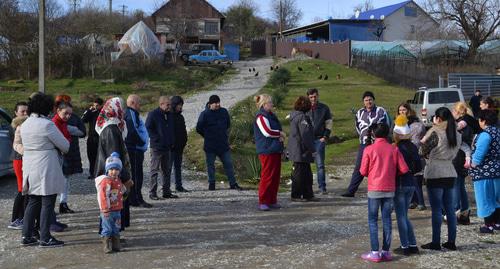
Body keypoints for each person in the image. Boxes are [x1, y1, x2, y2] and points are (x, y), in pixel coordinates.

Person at [21, 93, 69, 248]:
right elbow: (65, 146)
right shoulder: (47, 124)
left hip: (30, 165)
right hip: (46, 166)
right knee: (47, 203)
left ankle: (27, 235)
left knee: (33, 201)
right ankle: (45, 237)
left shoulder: (26, 123)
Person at [359, 123, 409, 262]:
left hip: (374, 188)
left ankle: (375, 252)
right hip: (389, 189)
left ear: (374, 134)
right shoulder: (394, 149)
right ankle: (386, 251)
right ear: (388, 133)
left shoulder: (369, 149)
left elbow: (362, 171)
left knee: (373, 220)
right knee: (387, 220)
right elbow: (404, 169)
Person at [420, 107, 462, 251]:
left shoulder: (435, 132)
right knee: (450, 208)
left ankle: (436, 242)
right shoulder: (457, 134)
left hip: (435, 172)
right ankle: (451, 241)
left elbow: (422, 151)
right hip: (450, 170)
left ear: (438, 119)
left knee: (437, 209)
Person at [94, 97, 134, 232]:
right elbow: (114, 158)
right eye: (122, 109)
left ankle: (113, 233)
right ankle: (109, 234)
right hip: (112, 175)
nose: (124, 112)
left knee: (112, 204)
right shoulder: (111, 129)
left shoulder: (112, 126)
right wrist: (125, 177)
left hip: (111, 174)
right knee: (111, 205)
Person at [342, 91, 389, 197]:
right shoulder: (359, 113)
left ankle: (383, 188)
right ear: (363, 102)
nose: (368, 102)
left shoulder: (381, 111)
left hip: (378, 142)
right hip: (364, 143)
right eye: (366, 100)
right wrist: (364, 137)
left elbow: (388, 125)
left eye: (370, 99)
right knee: (359, 166)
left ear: (374, 100)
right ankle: (351, 191)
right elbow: (358, 127)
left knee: (381, 166)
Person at [196, 95, 242, 191]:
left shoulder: (224, 112)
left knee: (228, 164)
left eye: (218, 102)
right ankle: (211, 184)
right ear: (210, 104)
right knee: (210, 165)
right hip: (210, 145)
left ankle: (233, 183)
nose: (218, 105)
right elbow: (199, 128)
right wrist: (207, 135)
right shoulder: (204, 114)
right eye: (215, 103)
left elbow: (228, 124)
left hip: (223, 144)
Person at [392, 115, 422, 256]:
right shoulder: (413, 147)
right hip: (411, 183)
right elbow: (418, 166)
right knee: (404, 215)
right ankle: (413, 244)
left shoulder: (396, 148)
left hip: (399, 183)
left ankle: (405, 246)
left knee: (401, 217)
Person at [467, 109, 500, 233]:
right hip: (497, 170)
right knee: (496, 199)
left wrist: (473, 164)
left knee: (484, 199)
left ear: (483, 121)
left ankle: (488, 225)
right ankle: (497, 223)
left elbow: (479, 154)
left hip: (484, 172)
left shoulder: (485, 134)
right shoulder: (498, 132)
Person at [253, 94, 285, 211]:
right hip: (267, 150)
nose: (272, 104)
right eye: (270, 102)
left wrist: (280, 137)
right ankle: (263, 200)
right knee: (267, 176)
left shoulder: (271, 116)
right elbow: (267, 132)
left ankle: (272, 199)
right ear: (264, 104)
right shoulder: (261, 117)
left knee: (275, 176)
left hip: (275, 148)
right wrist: (280, 134)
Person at [145, 96, 178, 199]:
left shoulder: (170, 115)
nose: (170, 106)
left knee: (166, 170)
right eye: (167, 104)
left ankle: (166, 192)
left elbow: (172, 129)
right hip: (157, 147)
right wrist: (157, 139)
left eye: (170, 104)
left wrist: (172, 141)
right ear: (161, 104)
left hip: (167, 147)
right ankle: (152, 193)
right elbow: (148, 128)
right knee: (154, 170)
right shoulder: (153, 114)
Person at [396, 103, 427, 211]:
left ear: (409, 111)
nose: (402, 112)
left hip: (415, 153)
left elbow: (417, 139)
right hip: (403, 154)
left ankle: (421, 202)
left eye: (404, 110)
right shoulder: (398, 124)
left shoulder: (416, 124)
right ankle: (413, 201)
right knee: (408, 179)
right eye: (400, 110)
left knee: (416, 179)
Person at [288, 96, 319, 202]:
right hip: (300, 150)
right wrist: (312, 149)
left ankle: (308, 194)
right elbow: (305, 135)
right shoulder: (302, 118)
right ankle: (296, 195)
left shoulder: (296, 116)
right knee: (299, 174)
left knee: (306, 173)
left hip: (299, 150)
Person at [95, 152, 126, 253]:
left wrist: (124, 189)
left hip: (117, 209)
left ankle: (116, 245)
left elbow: (121, 191)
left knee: (116, 227)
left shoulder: (118, 180)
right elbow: (103, 196)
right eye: (111, 169)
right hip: (107, 210)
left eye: (116, 169)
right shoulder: (106, 182)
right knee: (107, 227)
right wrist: (104, 208)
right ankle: (106, 245)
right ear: (107, 170)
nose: (114, 172)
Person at [451, 102, 476, 225]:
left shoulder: (462, 124)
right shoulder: (469, 122)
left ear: (457, 111)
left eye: (453, 111)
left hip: (458, 156)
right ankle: (465, 212)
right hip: (463, 157)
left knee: (456, 185)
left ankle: (455, 211)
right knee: (460, 185)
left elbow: (457, 137)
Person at [124, 95, 151, 207]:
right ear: (132, 102)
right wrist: (141, 142)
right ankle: (136, 199)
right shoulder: (130, 113)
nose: (140, 106)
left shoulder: (133, 113)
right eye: (139, 103)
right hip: (134, 149)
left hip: (136, 148)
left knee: (136, 174)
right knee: (136, 175)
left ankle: (134, 198)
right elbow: (132, 130)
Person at [306, 88, 332, 195]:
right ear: (308, 97)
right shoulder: (305, 108)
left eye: (315, 96)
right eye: (311, 97)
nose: (313, 98)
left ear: (318, 96)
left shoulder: (324, 108)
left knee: (320, 164)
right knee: (306, 165)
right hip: (307, 140)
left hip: (319, 139)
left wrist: (325, 137)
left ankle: (322, 187)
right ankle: (308, 188)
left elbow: (329, 123)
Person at [8, 102, 28, 230]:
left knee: (25, 189)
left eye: (27, 111)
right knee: (22, 189)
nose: (25, 113)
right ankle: (15, 219)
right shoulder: (16, 125)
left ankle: (21, 217)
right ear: (16, 113)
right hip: (19, 159)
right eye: (22, 111)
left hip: (23, 159)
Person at [170, 95, 189, 192]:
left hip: (179, 147)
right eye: (179, 105)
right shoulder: (168, 116)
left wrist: (184, 141)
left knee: (178, 167)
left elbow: (184, 131)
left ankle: (179, 185)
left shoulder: (180, 117)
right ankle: (166, 187)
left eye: (181, 105)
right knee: (167, 169)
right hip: (170, 148)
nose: (180, 107)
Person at [82, 97, 104, 179]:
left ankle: (100, 172)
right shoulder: (91, 112)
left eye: (97, 105)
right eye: (94, 105)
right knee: (91, 156)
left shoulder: (103, 113)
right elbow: (83, 120)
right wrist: (88, 111)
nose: (95, 107)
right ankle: (92, 173)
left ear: (101, 105)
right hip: (91, 138)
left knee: (100, 156)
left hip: (100, 138)